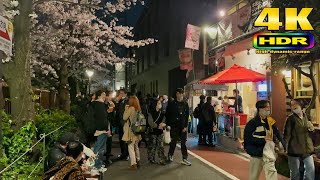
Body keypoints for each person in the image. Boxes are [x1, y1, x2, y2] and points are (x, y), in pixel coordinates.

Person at [244, 100, 286, 180]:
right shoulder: (252, 123)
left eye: (269, 107)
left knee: (271, 172)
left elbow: (277, 133)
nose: (268, 109)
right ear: (259, 109)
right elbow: (248, 139)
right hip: (257, 153)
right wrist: (263, 140)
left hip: (268, 152)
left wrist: (283, 144)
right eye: (266, 107)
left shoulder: (271, 121)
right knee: (254, 176)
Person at [283, 99, 315, 180]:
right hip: (294, 148)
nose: (293, 107)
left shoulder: (306, 116)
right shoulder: (290, 119)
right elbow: (286, 134)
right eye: (292, 105)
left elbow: (311, 132)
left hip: (307, 148)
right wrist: (284, 147)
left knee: (310, 169)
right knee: (295, 172)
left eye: (295, 105)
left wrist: (311, 129)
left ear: (301, 106)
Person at [166, 88, 191, 166]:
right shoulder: (172, 104)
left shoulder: (185, 104)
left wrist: (185, 126)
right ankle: (170, 156)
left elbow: (187, 116)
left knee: (183, 143)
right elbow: (168, 114)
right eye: (179, 94)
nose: (180, 95)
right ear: (176, 94)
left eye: (181, 94)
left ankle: (185, 158)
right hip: (174, 126)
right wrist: (168, 124)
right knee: (173, 142)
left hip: (183, 126)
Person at [91, 90, 111, 169]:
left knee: (96, 147)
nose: (104, 96)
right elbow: (103, 119)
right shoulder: (100, 105)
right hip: (101, 130)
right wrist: (107, 129)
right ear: (99, 95)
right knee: (100, 148)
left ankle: (95, 164)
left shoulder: (93, 104)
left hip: (95, 129)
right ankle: (97, 165)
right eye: (103, 94)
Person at [122, 96, 142, 170]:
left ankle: (133, 164)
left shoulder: (130, 108)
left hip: (131, 131)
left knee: (130, 147)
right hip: (137, 130)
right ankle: (138, 160)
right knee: (136, 146)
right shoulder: (138, 109)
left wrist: (126, 109)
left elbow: (124, 117)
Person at [147, 99, 166, 165]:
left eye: (160, 103)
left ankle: (161, 159)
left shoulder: (162, 113)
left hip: (160, 132)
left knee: (160, 146)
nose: (160, 105)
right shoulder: (151, 113)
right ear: (155, 104)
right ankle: (151, 159)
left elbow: (164, 120)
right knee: (152, 146)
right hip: (153, 132)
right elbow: (150, 123)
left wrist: (163, 124)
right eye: (158, 103)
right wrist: (158, 126)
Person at [115, 89, 129, 161]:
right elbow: (117, 110)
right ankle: (123, 153)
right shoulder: (120, 101)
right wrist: (117, 101)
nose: (121, 95)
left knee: (126, 139)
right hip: (120, 123)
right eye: (120, 93)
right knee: (121, 139)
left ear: (125, 94)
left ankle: (126, 154)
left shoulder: (127, 101)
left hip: (125, 123)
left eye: (122, 93)